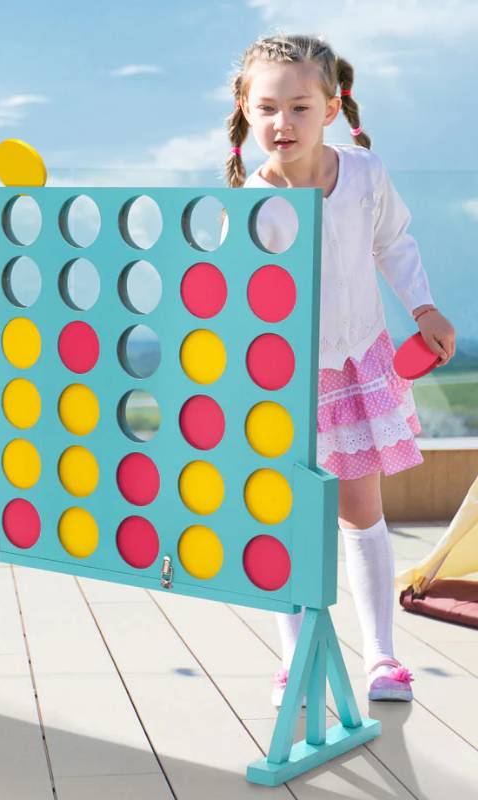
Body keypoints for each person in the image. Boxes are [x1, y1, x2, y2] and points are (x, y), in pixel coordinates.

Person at [224, 35, 456, 704]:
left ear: (330, 109)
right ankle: (295, 662)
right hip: (282, 382)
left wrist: (425, 309)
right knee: (285, 517)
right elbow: (229, 299)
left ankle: (381, 658)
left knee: (360, 510)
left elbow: (394, 243)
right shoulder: (249, 201)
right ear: (245, 108)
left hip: (355, 367)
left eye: (300, 107)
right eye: (267, 107)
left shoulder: (363, 174)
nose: (282, 123)